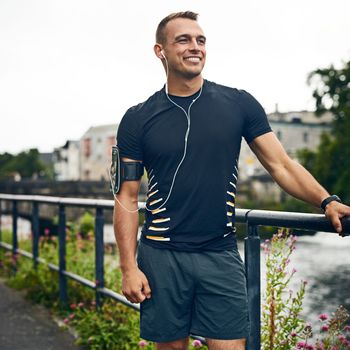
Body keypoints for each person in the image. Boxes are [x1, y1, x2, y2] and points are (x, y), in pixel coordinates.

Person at [113, 11, 350, 350]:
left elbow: (281, 165)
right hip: (161, 256)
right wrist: (127, 267)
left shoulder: (239, 104)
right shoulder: (137, 119)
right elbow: (126, 196)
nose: (195, 47)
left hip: (220, 253)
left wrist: (327, 201)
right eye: (183, 40)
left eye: (201, 40)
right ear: (160, 51)